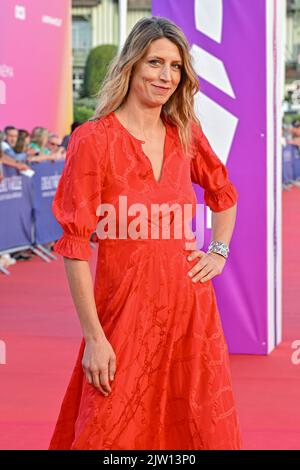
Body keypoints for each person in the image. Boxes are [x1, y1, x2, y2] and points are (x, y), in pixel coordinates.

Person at [48, 16, 242, 450]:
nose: (166, 76)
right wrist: (94, 338)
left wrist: (218, 251)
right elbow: (75, 246)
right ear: (132, 65)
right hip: (122, 315)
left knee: (192, 430)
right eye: (156, 62)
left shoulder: (186, 134)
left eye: (176, 67)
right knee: (109, 430)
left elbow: (224, 195)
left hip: (190, 312)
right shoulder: (93, 140)